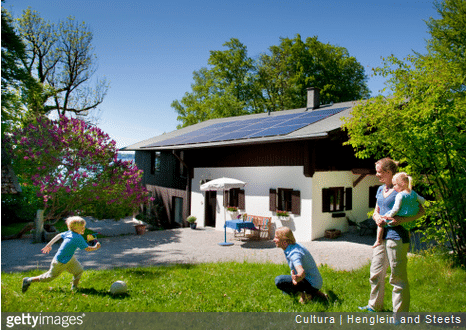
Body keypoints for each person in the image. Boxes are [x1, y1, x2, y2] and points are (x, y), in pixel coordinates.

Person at [359, 158, 425, 314]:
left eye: (379, 172)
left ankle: (400, 315)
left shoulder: (403, 190)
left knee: (397, 277)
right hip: (381, 237)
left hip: (397, 236)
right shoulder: (380, 189)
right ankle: (374, 306)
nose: (376, 174)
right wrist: (376, 217)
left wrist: (402, 219)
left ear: (389, 172)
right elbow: (377, 210)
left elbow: (422, 211)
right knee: (375, 273)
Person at [22, 216, 101, 293]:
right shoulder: (78, 237)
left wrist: (48, 245)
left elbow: (58, 235)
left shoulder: (69, 233)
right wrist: (96, 247)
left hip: (70, 258)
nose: (84, 228)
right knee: (49, 277)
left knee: (79, 271)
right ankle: (28, 280)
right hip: (60, 262)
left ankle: (74, 287)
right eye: (82, 227)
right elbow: (87, 249)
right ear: (75, 228)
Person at [274, 227, 327, 304]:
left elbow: (301, 270)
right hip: (315, 281)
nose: (273, 240)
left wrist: (298, 277)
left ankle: (305, 294)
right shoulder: (294, 245)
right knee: (284, 291)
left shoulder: (294, 253)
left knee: (279, 281)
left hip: (311, 283)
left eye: (276, 237)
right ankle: (316, 294)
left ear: (284, 241)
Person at [372, 172, 426, 248]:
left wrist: (389, 216)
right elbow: (423, 201)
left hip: (401, 213)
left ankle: (378, 240)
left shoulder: (399, 195)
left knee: (382, 221)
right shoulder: (413, 193)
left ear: (402, 184)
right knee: (406, 228)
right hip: (410, 214)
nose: (394, 187)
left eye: (395, 185)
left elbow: (396, 208)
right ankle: (407, 243)